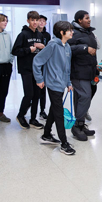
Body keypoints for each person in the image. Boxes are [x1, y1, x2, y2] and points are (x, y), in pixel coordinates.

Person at [33, 21, 76, 155]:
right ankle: (64, 143)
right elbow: (37, 61)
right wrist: (39, 79)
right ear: (62, 33)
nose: (72, 32)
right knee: (59, 114)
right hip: (53, 84)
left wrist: (68, 82)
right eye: (69, 30)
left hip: (62, 83)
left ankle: (46, 135)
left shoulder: (67, 46)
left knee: (54, 108)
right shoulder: (52, 45)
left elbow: (67, 67)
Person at [12, 11, 45, 129]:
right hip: (26, 69)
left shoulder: (40, 36)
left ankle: (33, 119)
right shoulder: (23, 35)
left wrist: (43, 48)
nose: (35, 22)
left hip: (37, 69)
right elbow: (15, 51)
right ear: (28, 21)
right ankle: (21, 115)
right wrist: (29, 49)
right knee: (29, 94)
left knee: (37, 94)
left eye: (37, 20)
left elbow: (42, 53)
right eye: (32, 20)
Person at [68, 10, 97, 141]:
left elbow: (93, 51)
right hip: (77, 71)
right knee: (85, 96)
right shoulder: (73, 32)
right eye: (86, 18)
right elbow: (67, 49)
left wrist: (95, 68)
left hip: (89, 70)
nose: (89, 20)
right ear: (79, 20)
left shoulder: (89, 32)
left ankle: (81, 124)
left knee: (80, 97)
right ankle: (76, 126)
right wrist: (84, 48)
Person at [37, 14, 51, 120]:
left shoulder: (47, 35)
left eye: (43, 21)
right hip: (34, 64)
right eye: (39, 21)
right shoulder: (33, 34)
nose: (41, 23)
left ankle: (42, 110)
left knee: (43, 89)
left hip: (44, 65)